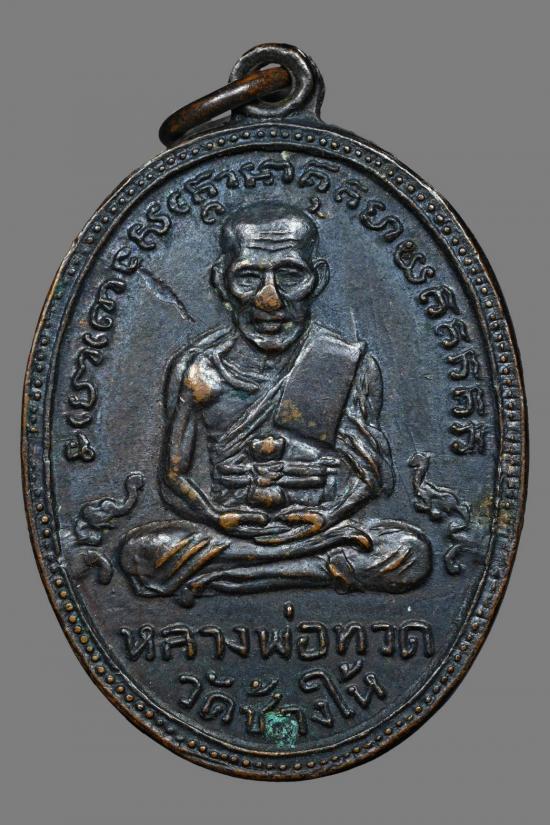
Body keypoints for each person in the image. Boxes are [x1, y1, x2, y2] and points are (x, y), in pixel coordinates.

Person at [119, 202, 431, 605]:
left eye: (290, 275)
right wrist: (216, 516)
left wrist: (328, 516)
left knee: (409, 551)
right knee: (141, 552)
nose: (269, 300)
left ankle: (235, 574)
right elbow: (173, 478)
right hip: (233, 531)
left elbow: (372, 476)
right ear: (221, 281)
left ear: (318, 279)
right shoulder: (198, 368)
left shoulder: (343, 362)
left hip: (320, 528)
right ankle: (294, 569)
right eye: (249, 277)